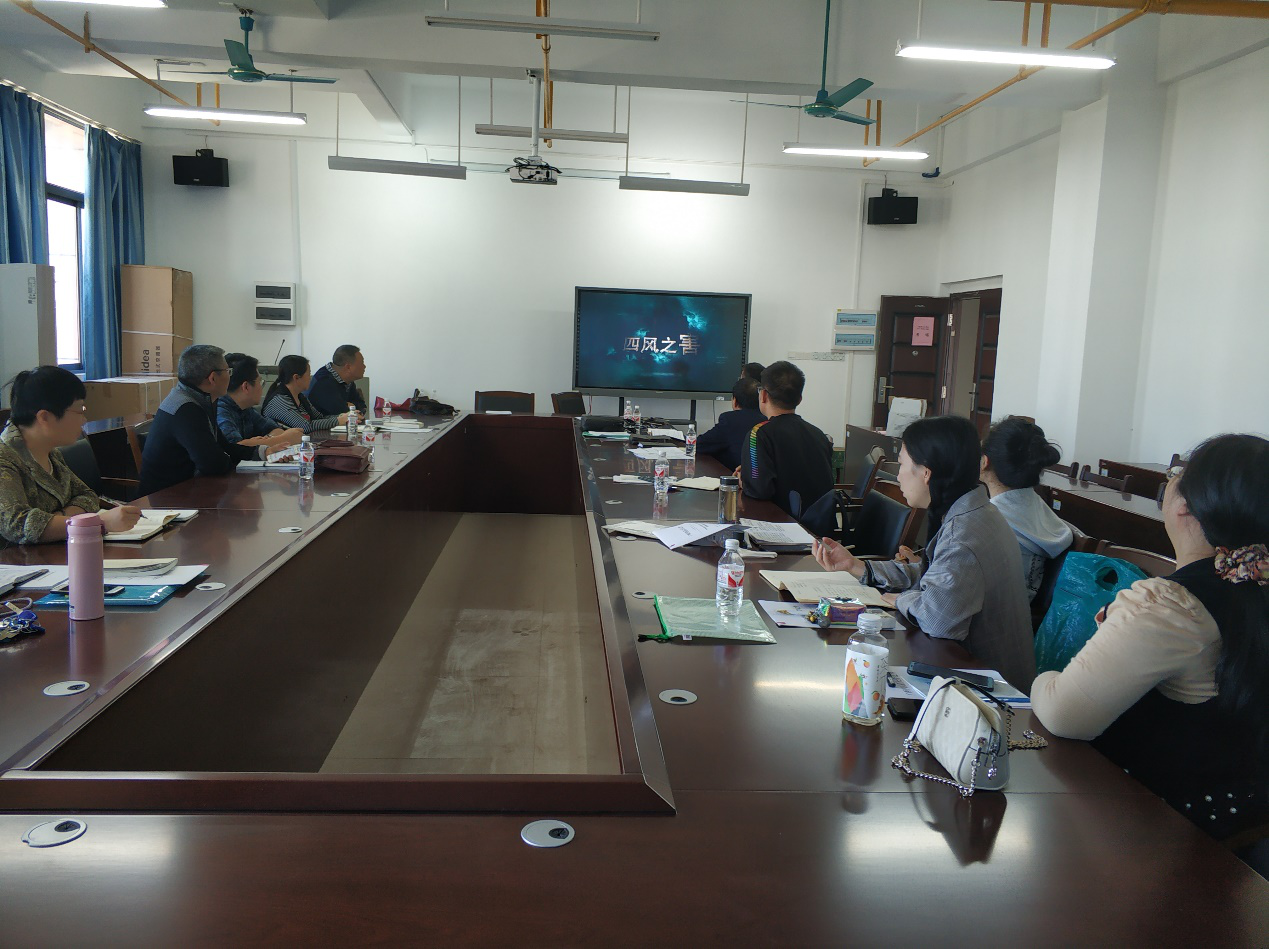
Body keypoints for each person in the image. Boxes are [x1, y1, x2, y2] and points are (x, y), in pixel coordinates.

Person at [1031, 434, 1269, 847]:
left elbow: (1064, 715)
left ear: (1185, 506)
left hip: (1157, 829)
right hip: (1242, 812)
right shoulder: (1251, 583)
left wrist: (1038, 677)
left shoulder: (1172, 606)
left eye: (1178, 473)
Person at [812, 415, 1036, 690]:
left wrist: (902, 599)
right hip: (970, 671)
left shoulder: (963, 536)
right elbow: (934, 575)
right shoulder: (976, 511)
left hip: (989, 690)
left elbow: (937, 620)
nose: (898, 475)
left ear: (926, 472)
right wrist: (856, 566)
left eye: (902, 464)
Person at [0, 366, 141, 544]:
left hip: (58, 550)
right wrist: (98, 522)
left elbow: (88, 496)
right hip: (20, 559)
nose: (84, 419)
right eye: (80, 411)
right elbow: (18, 524)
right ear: (44, 417)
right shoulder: (5, 459)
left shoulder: (51, 454)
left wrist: (60, 518)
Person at [140, 344, 269, 496]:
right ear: (213, 378)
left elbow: (224, 446)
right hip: (164, 499)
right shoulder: (186, 408)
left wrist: (264, 452)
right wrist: (229, 458)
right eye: (228, 371)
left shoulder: (201, 399)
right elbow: (212, 464)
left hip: (188, 490)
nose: (230, 376)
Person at [980, 416, 1076, 601]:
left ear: (985, 461)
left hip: (991, 613)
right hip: (1021, 611)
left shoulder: (988, 520)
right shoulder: (1039, 509)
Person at [740, 361, 835, 535]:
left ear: (763, 395)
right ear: (799, 399)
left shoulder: (758, 434)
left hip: (783, 530)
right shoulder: (819, 434)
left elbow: (758, 489)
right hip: (821, 534)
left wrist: (743, 479)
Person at [217, 353, 303, 452]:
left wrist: (265, 440)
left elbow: (274, 429)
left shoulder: (246, 408)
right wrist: (284, 439)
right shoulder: (220, 411)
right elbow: (234, 448)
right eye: (260, 382)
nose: (261, 387)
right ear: (246, 387)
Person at [262, 356, 348, 435]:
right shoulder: (280, 401)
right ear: (296, 377)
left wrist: (345, 416)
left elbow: (320, 418)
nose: (310, 378)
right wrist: (338, 421)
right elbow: (305, 427)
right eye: (308, 374)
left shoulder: (300, 397)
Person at [697, 376, 765, 472]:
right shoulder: (768, 419)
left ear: (735, 401)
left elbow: (700, 445)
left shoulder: (730, 420)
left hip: (736, 476)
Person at [306, 345, 367, 417]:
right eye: (362, 363)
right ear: (348, 367)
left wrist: (351, 406)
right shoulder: (323, 382)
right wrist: (349, 407)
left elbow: (362, 407)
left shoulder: (347, 380)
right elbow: (342, 412)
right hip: (320, 424)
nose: (364, 366)